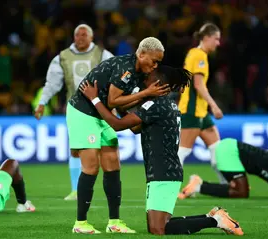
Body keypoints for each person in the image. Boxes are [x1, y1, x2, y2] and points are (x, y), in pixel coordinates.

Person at [78, 65, 244, 236]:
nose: (144, 80)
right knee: (157, 226)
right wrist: (117, 104)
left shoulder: (155, 105)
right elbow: (135, 128)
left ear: (157, 83)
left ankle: (215, 220)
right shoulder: (166, 105)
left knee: (159, 229)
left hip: (163, 171)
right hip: (164, 170)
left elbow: (117, 125)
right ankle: (213, 217)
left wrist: (95, 99)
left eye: (148, 78)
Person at [68, 37, 168, 234]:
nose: (156, 65)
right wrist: (146, 93)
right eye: (154, 61)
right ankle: (80, 223)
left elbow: (120, 103)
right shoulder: (127, 68)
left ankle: (114, 222)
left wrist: (135, 116)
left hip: (101, 113)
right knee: (91, 167)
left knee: (113, 163)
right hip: (83, 112)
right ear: (141, 55)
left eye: (159, 62)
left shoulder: (139, 73)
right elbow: (114, 100)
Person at [34, 24, 114, 201]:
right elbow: (52, 83)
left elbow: (116, 77)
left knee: (108, 148)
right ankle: (76, 190)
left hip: (101, 108)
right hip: (76, 108)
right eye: (78, 34)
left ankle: (110, 188)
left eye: (84, 34)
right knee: (76, 149)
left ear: (92, 37)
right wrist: (42, 103)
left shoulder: (103, 55)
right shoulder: (63, 57)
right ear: (73, 37)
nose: (81, 37)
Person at [177, 23, 226, 193]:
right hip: (192, 111)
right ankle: (169, 187)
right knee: (181, 152)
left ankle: (226, 187)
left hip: (200, 111)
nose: (218, 43)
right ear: (206, 38)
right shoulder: (199, 56)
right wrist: (215, 106)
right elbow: (198, 85)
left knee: (217, 150)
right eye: (216, 39)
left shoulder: (194, 53)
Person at [179, 138, 268, 199]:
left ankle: (198, 185)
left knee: (239, 190)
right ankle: (198, 186)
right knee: (242, 192)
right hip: (230, 152)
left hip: (231, 151)